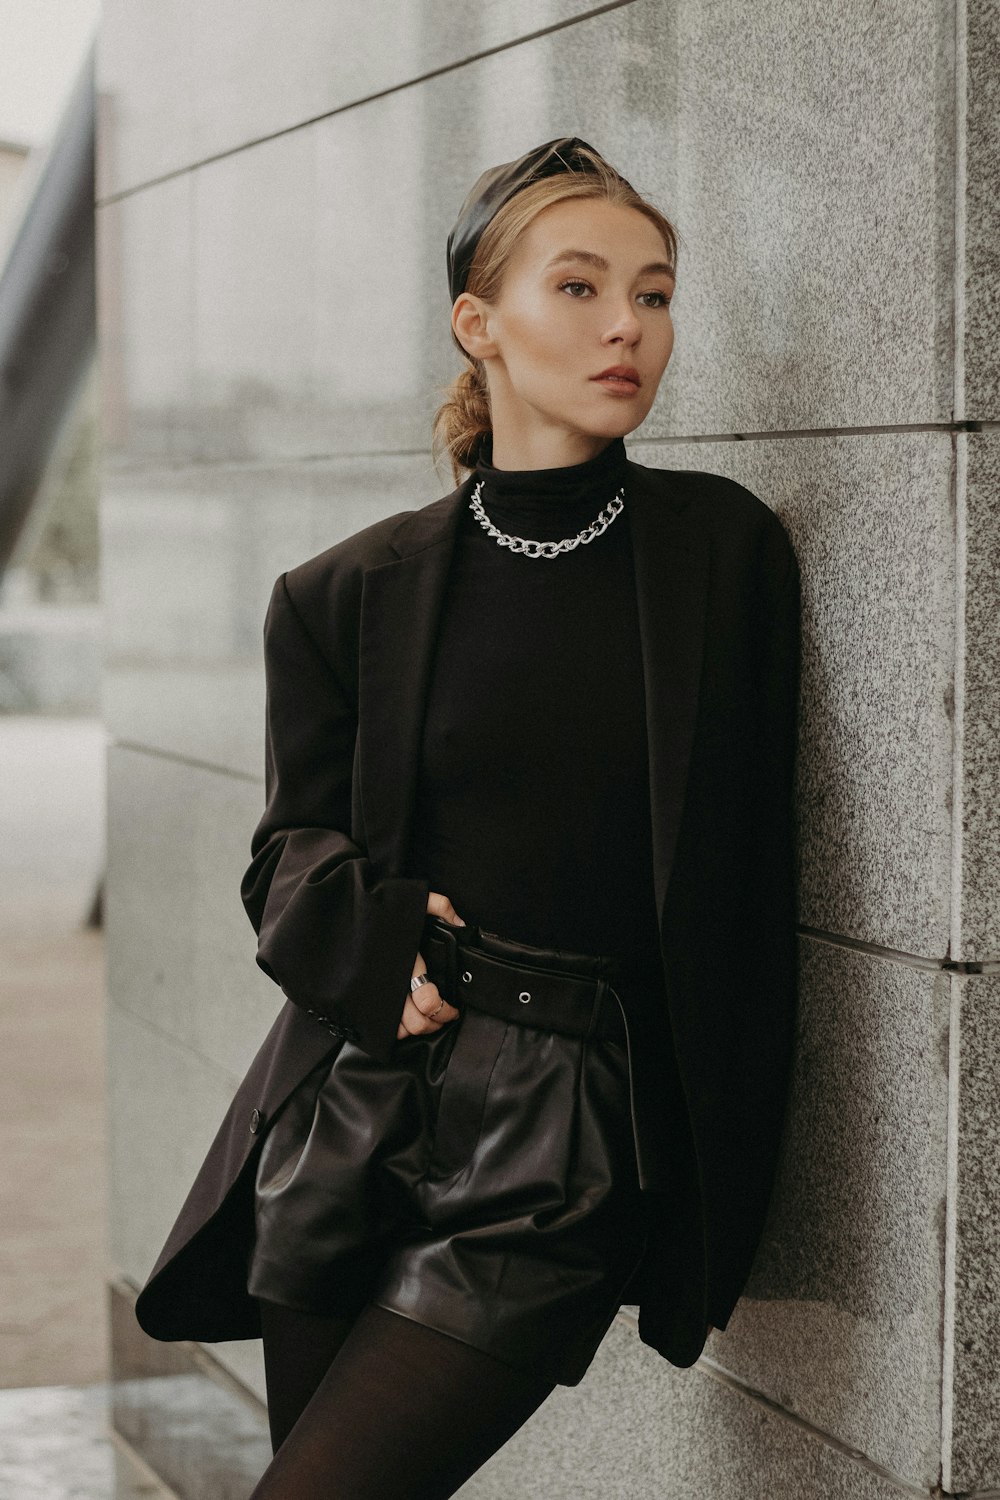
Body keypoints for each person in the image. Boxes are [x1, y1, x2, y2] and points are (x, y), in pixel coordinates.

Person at [133, 138, 801, 1500]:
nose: (630, 325)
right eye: (583, 286)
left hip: (561, 1127)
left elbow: (743, 881)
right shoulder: (345, 593)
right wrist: (382, 955)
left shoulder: (719, 556)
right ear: (479, 326)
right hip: (355, 1100)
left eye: (657, 294)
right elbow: (289, 851)